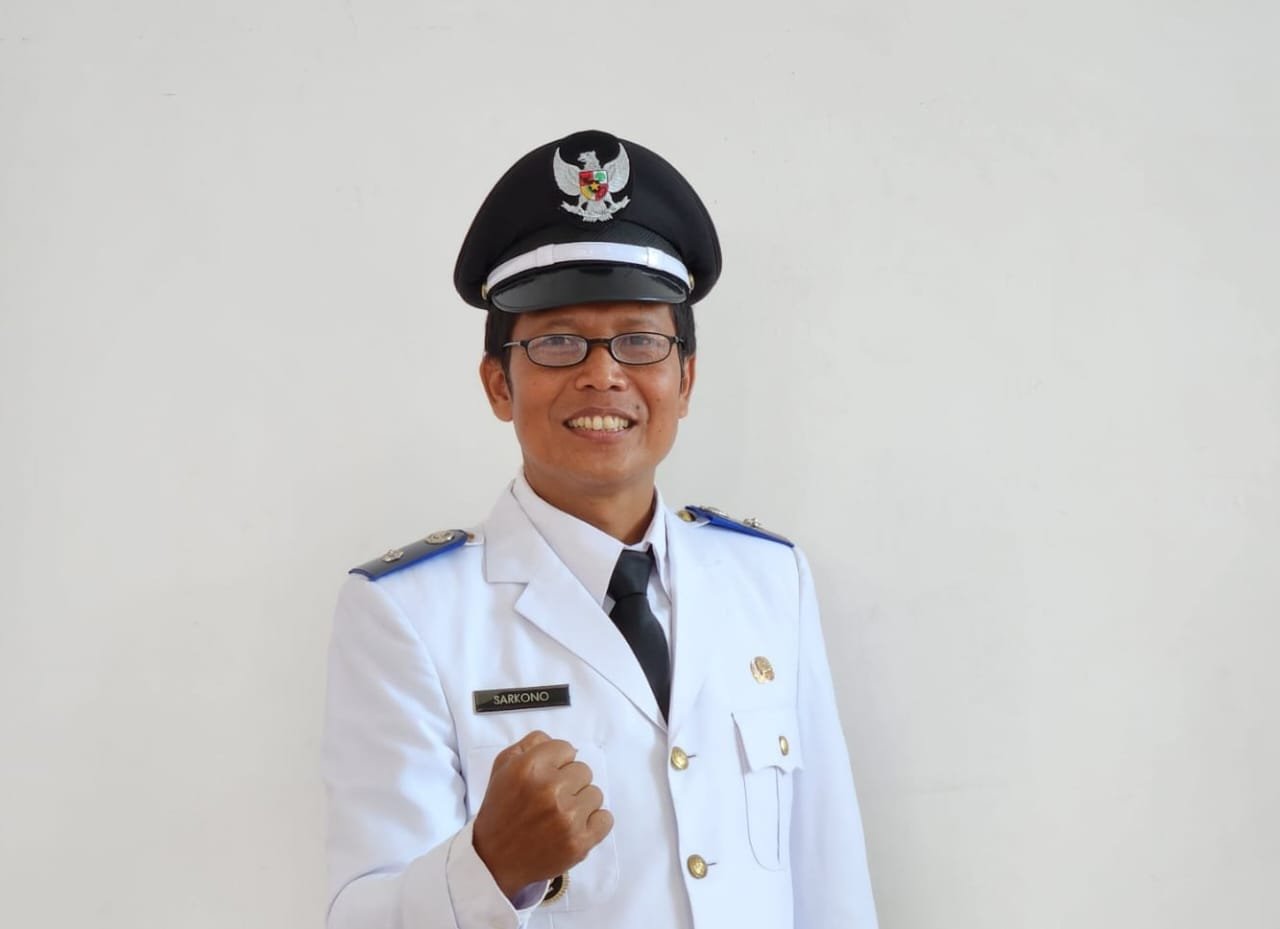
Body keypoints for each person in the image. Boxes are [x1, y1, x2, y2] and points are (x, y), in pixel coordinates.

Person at [322, 129, 878, 929]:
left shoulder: (768, 580)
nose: (603, 373)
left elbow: (830, 882)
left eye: (640, 340)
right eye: (556, 342)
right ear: (498, 383)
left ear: (685, 378)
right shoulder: (410, 613)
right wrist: (489, 869)